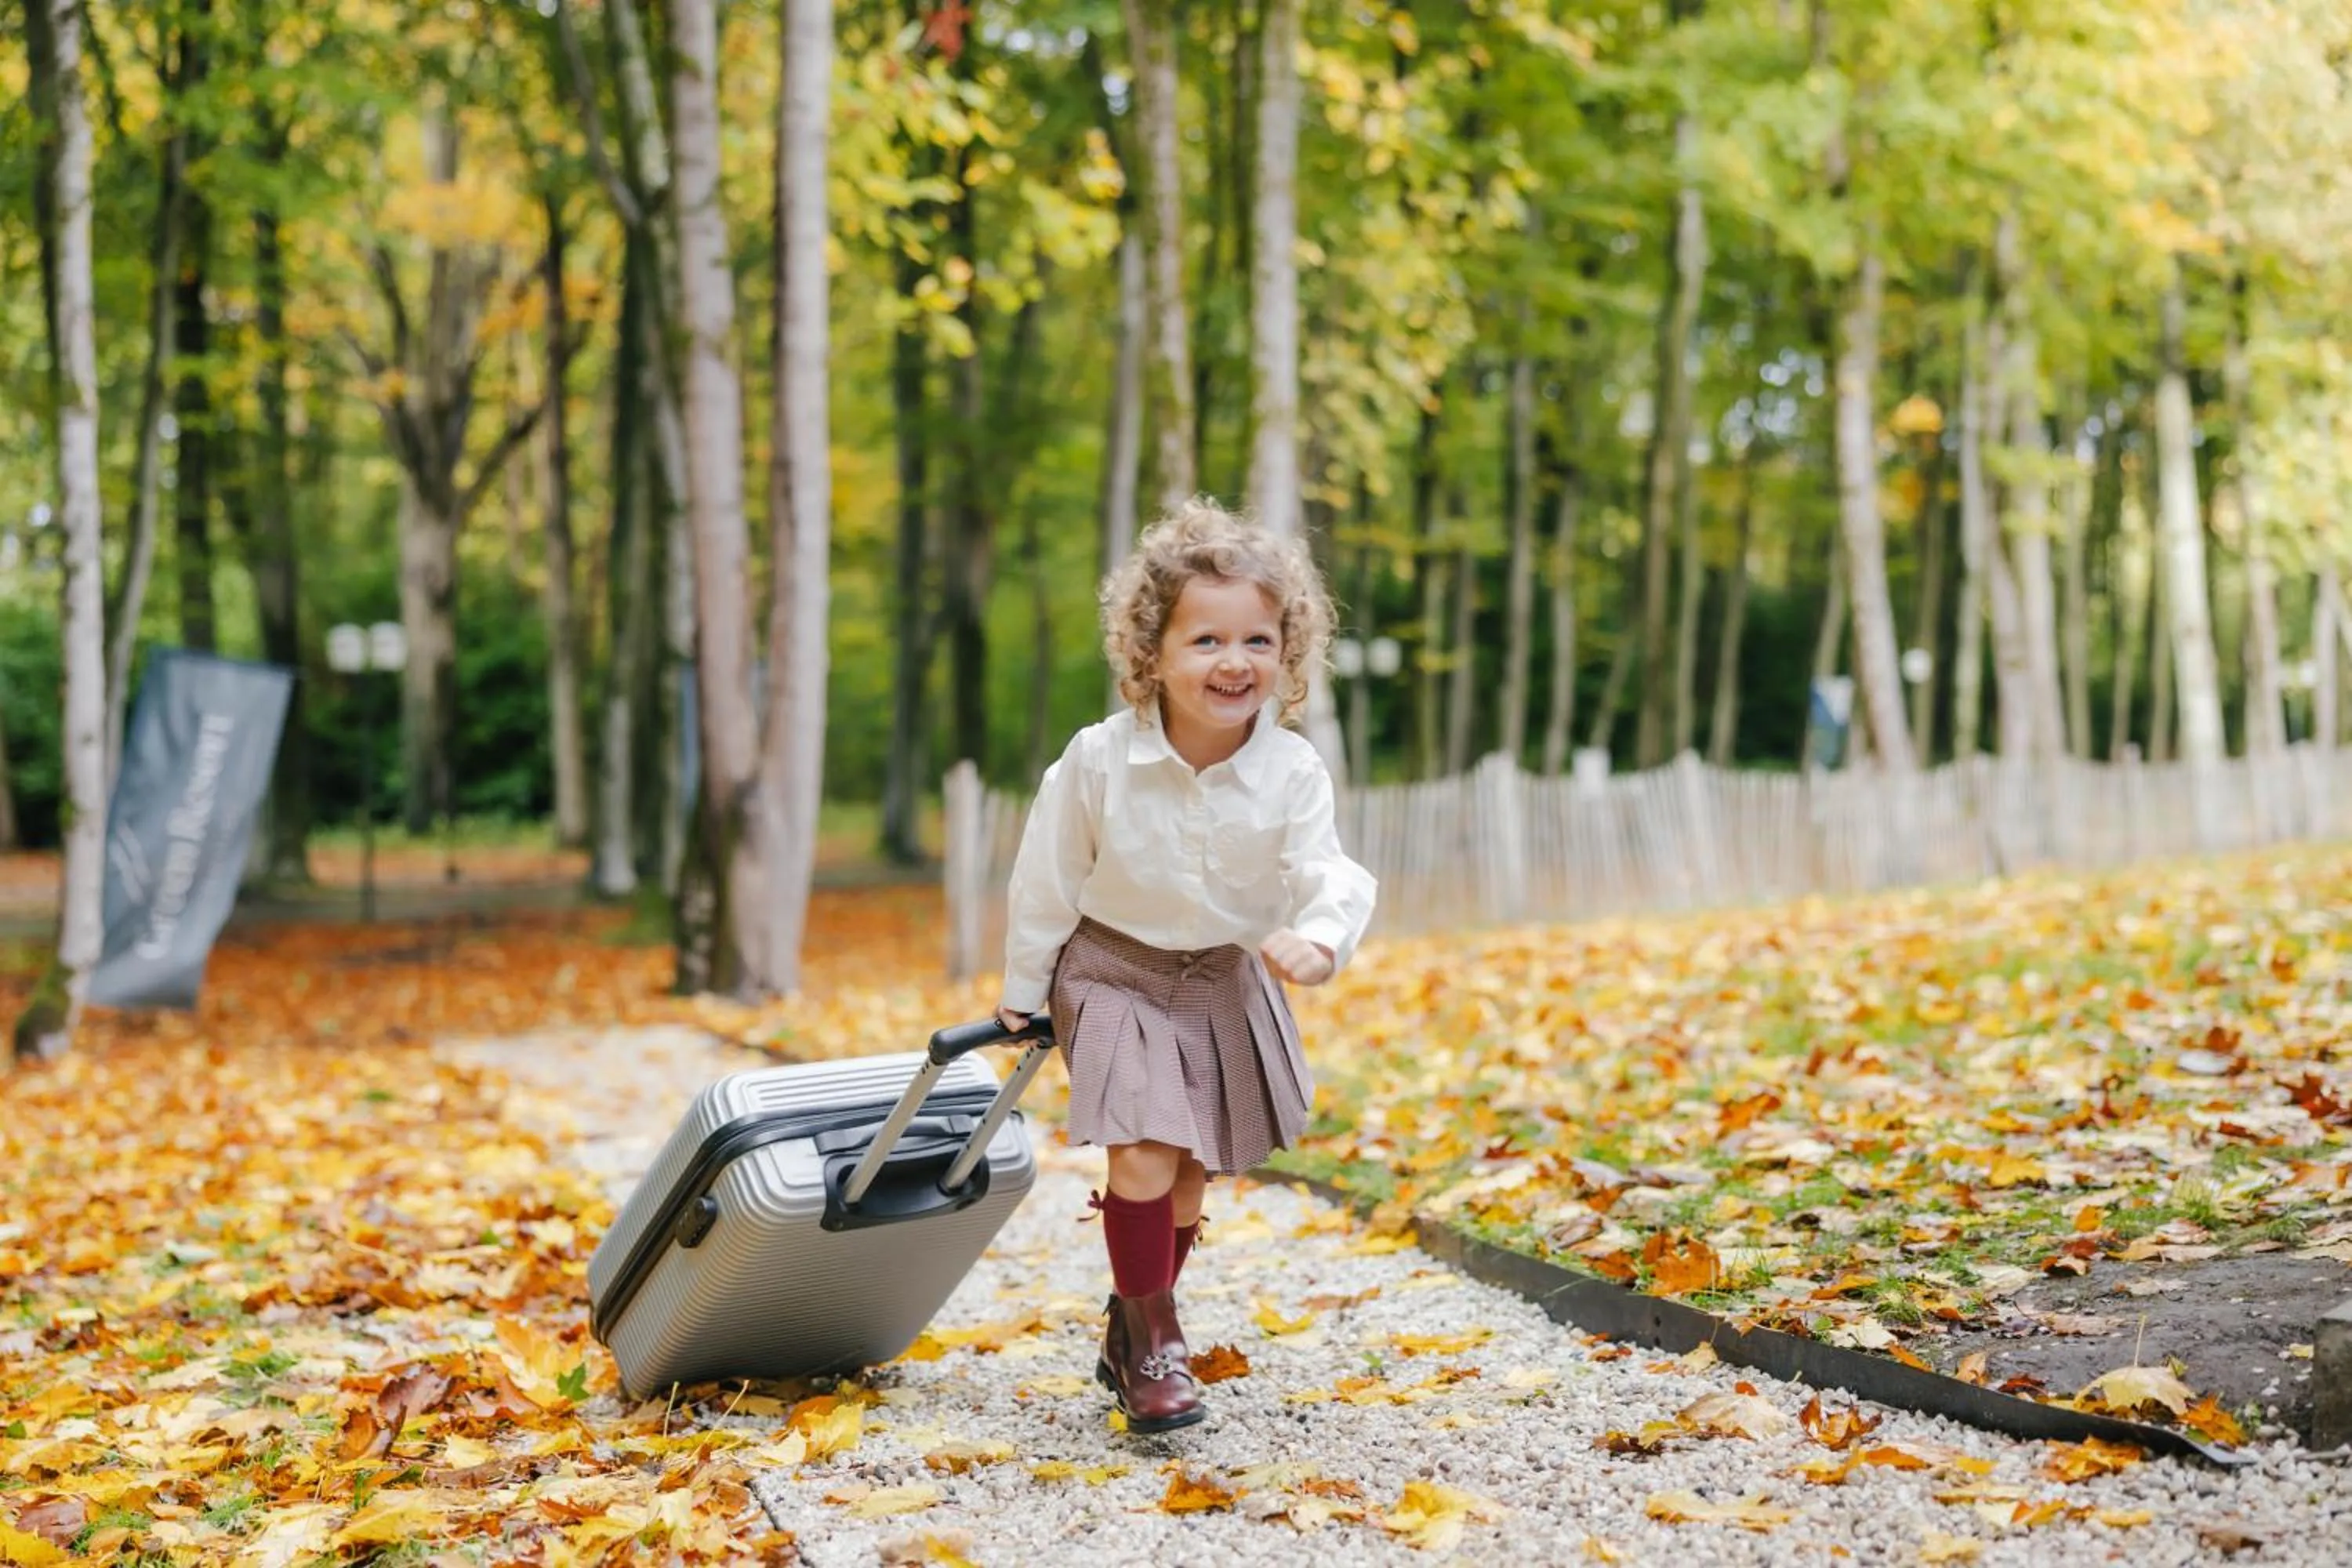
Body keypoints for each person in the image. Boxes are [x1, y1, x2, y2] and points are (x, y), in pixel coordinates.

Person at [994, 497, 1377, 1434]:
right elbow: (1047, 877)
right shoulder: (1098, 762)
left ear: (1287, 653)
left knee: (1190, 1175)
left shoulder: (1291, 770)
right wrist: (1020, 993)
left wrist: (1320, 936)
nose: (1235, 661)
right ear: (1150, 651)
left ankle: (1130, 1327)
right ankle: (1159, 1344)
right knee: (1143, 1150)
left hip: (1217, 979)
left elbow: (1326, 868)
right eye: (1206, 639)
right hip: (1113, 970)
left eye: (1257, 639)